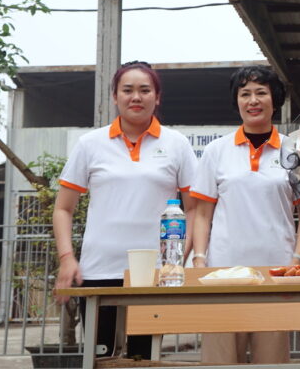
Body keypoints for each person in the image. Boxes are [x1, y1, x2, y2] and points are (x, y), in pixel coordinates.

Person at [53, 61, 198, 358]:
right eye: (127, 90)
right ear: (115, 96)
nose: (136, 97)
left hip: (154, 273)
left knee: (143, 357)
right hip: (98, 270)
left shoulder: (177, 144)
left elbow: (194, 210)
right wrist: (67, 259)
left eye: (145, 90)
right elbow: (63, 209)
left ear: (156, 97)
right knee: (99, 358)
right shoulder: (90, 144)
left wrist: (178, 259)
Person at [190, 65, 300, 364]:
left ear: (275, 100)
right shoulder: (216, 151)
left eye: (261, 92)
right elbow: (202, 215)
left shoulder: (295, 150)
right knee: (219, 361)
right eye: (245, 94)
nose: (253, 100)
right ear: (237, 101)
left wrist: (296, 262)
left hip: (275, 275)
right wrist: (200, 261)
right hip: (221, 276)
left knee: (270, 361)